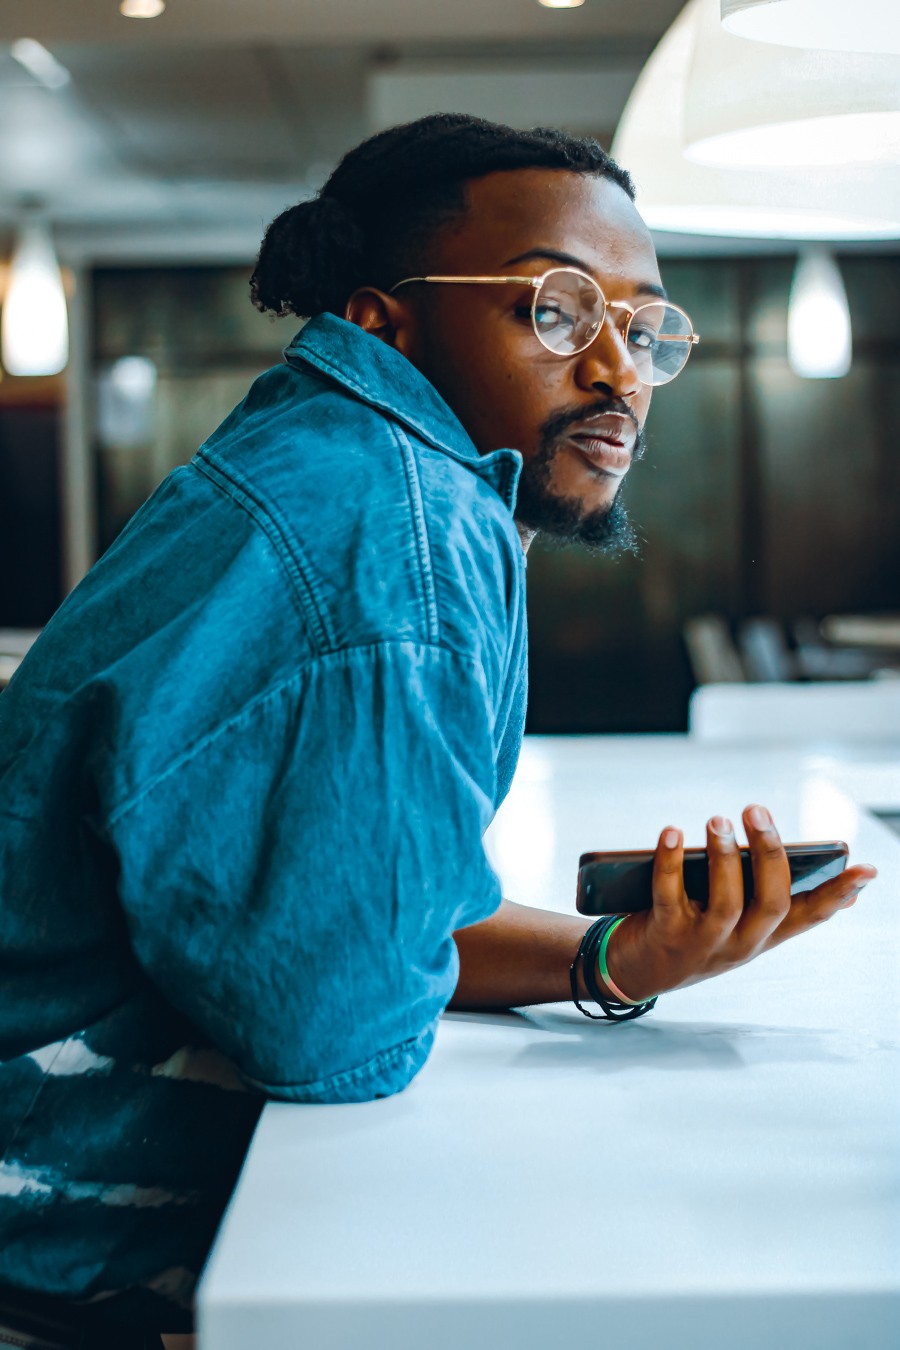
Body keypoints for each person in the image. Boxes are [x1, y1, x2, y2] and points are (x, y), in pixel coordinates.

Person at [0, 113, 875, 1347]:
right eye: (560, 311)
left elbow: (387, 929)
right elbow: (342, 1031)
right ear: (382, 319)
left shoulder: (350, 465)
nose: (621, 371)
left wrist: (618, 957)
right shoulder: (397, 534)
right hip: (47, 1270)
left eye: (644, 327)